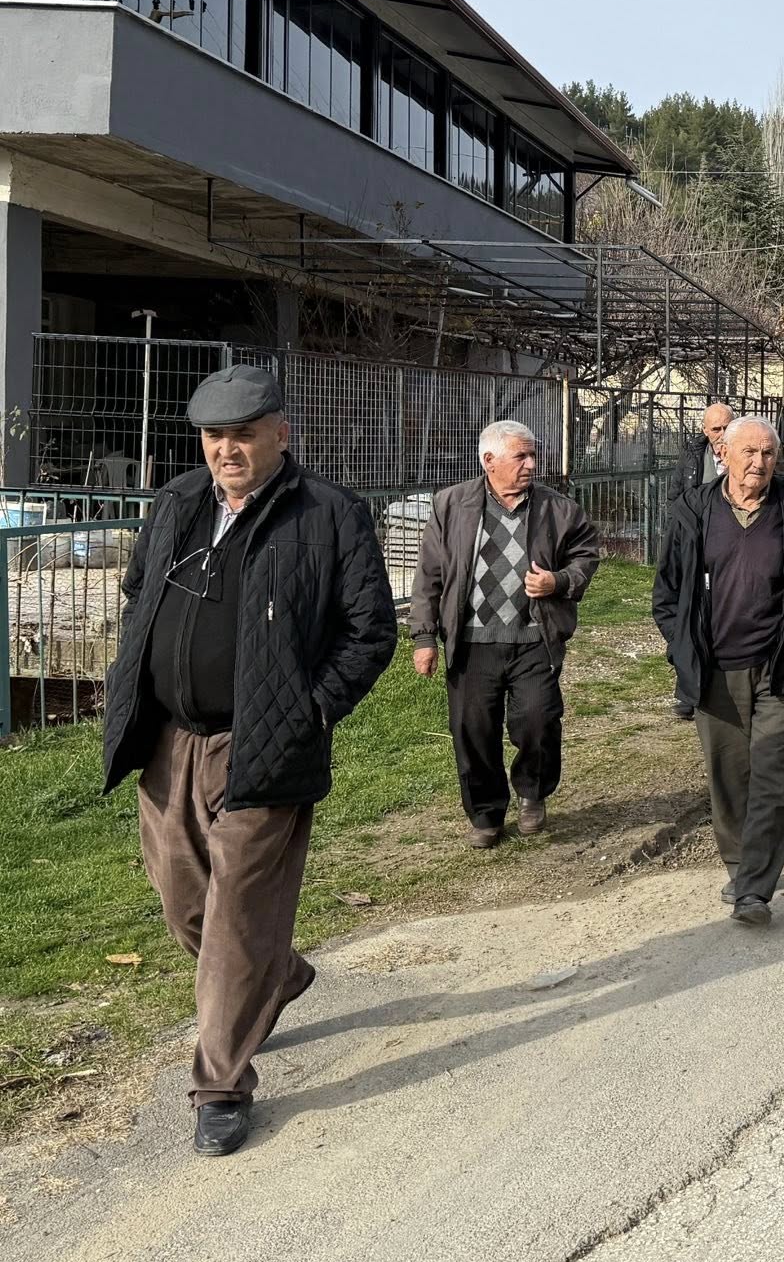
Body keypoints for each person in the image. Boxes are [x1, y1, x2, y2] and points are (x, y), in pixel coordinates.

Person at [99, 365, 395, 1158]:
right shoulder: (178, 503)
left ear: (280, 433)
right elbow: (138, 593)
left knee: (233, 918)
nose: (227, 449)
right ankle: (277, 970)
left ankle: (221, 1083)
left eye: (243, 434)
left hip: (264, 745)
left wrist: (310, 709)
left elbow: (370, 634)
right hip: (170, 738)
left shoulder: (329, 515)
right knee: (182, 902)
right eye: (214, 435)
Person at [653, 416, 784, 926]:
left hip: (783, 668)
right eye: (749, 453)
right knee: (730, 776)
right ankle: (741, 864)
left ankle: (755, 888)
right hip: (714, 671)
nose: (758, 463)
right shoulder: (694, 511)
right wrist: (683, 648)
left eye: (768, 454)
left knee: (775, 777)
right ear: (725, 455)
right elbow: (667, 592)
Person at [411, 421, 601, 849]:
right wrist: (424, 638)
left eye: (533, 455)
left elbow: (586, 555)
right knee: (472, 731)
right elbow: (429, 576)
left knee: (538, 720)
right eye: (521, 456)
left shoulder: (558, 509)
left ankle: (533, 792)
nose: (531, 464)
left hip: (534, 638)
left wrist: (558, 581)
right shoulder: (451, 505)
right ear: (488, 460)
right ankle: (486, 814)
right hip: (473, 643)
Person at [667, 401, 734, 504]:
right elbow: (675, 497)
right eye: (716, 429)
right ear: (705, 430)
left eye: (727, 428)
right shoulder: (692, 454)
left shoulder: (748, 455)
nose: (723, 434)